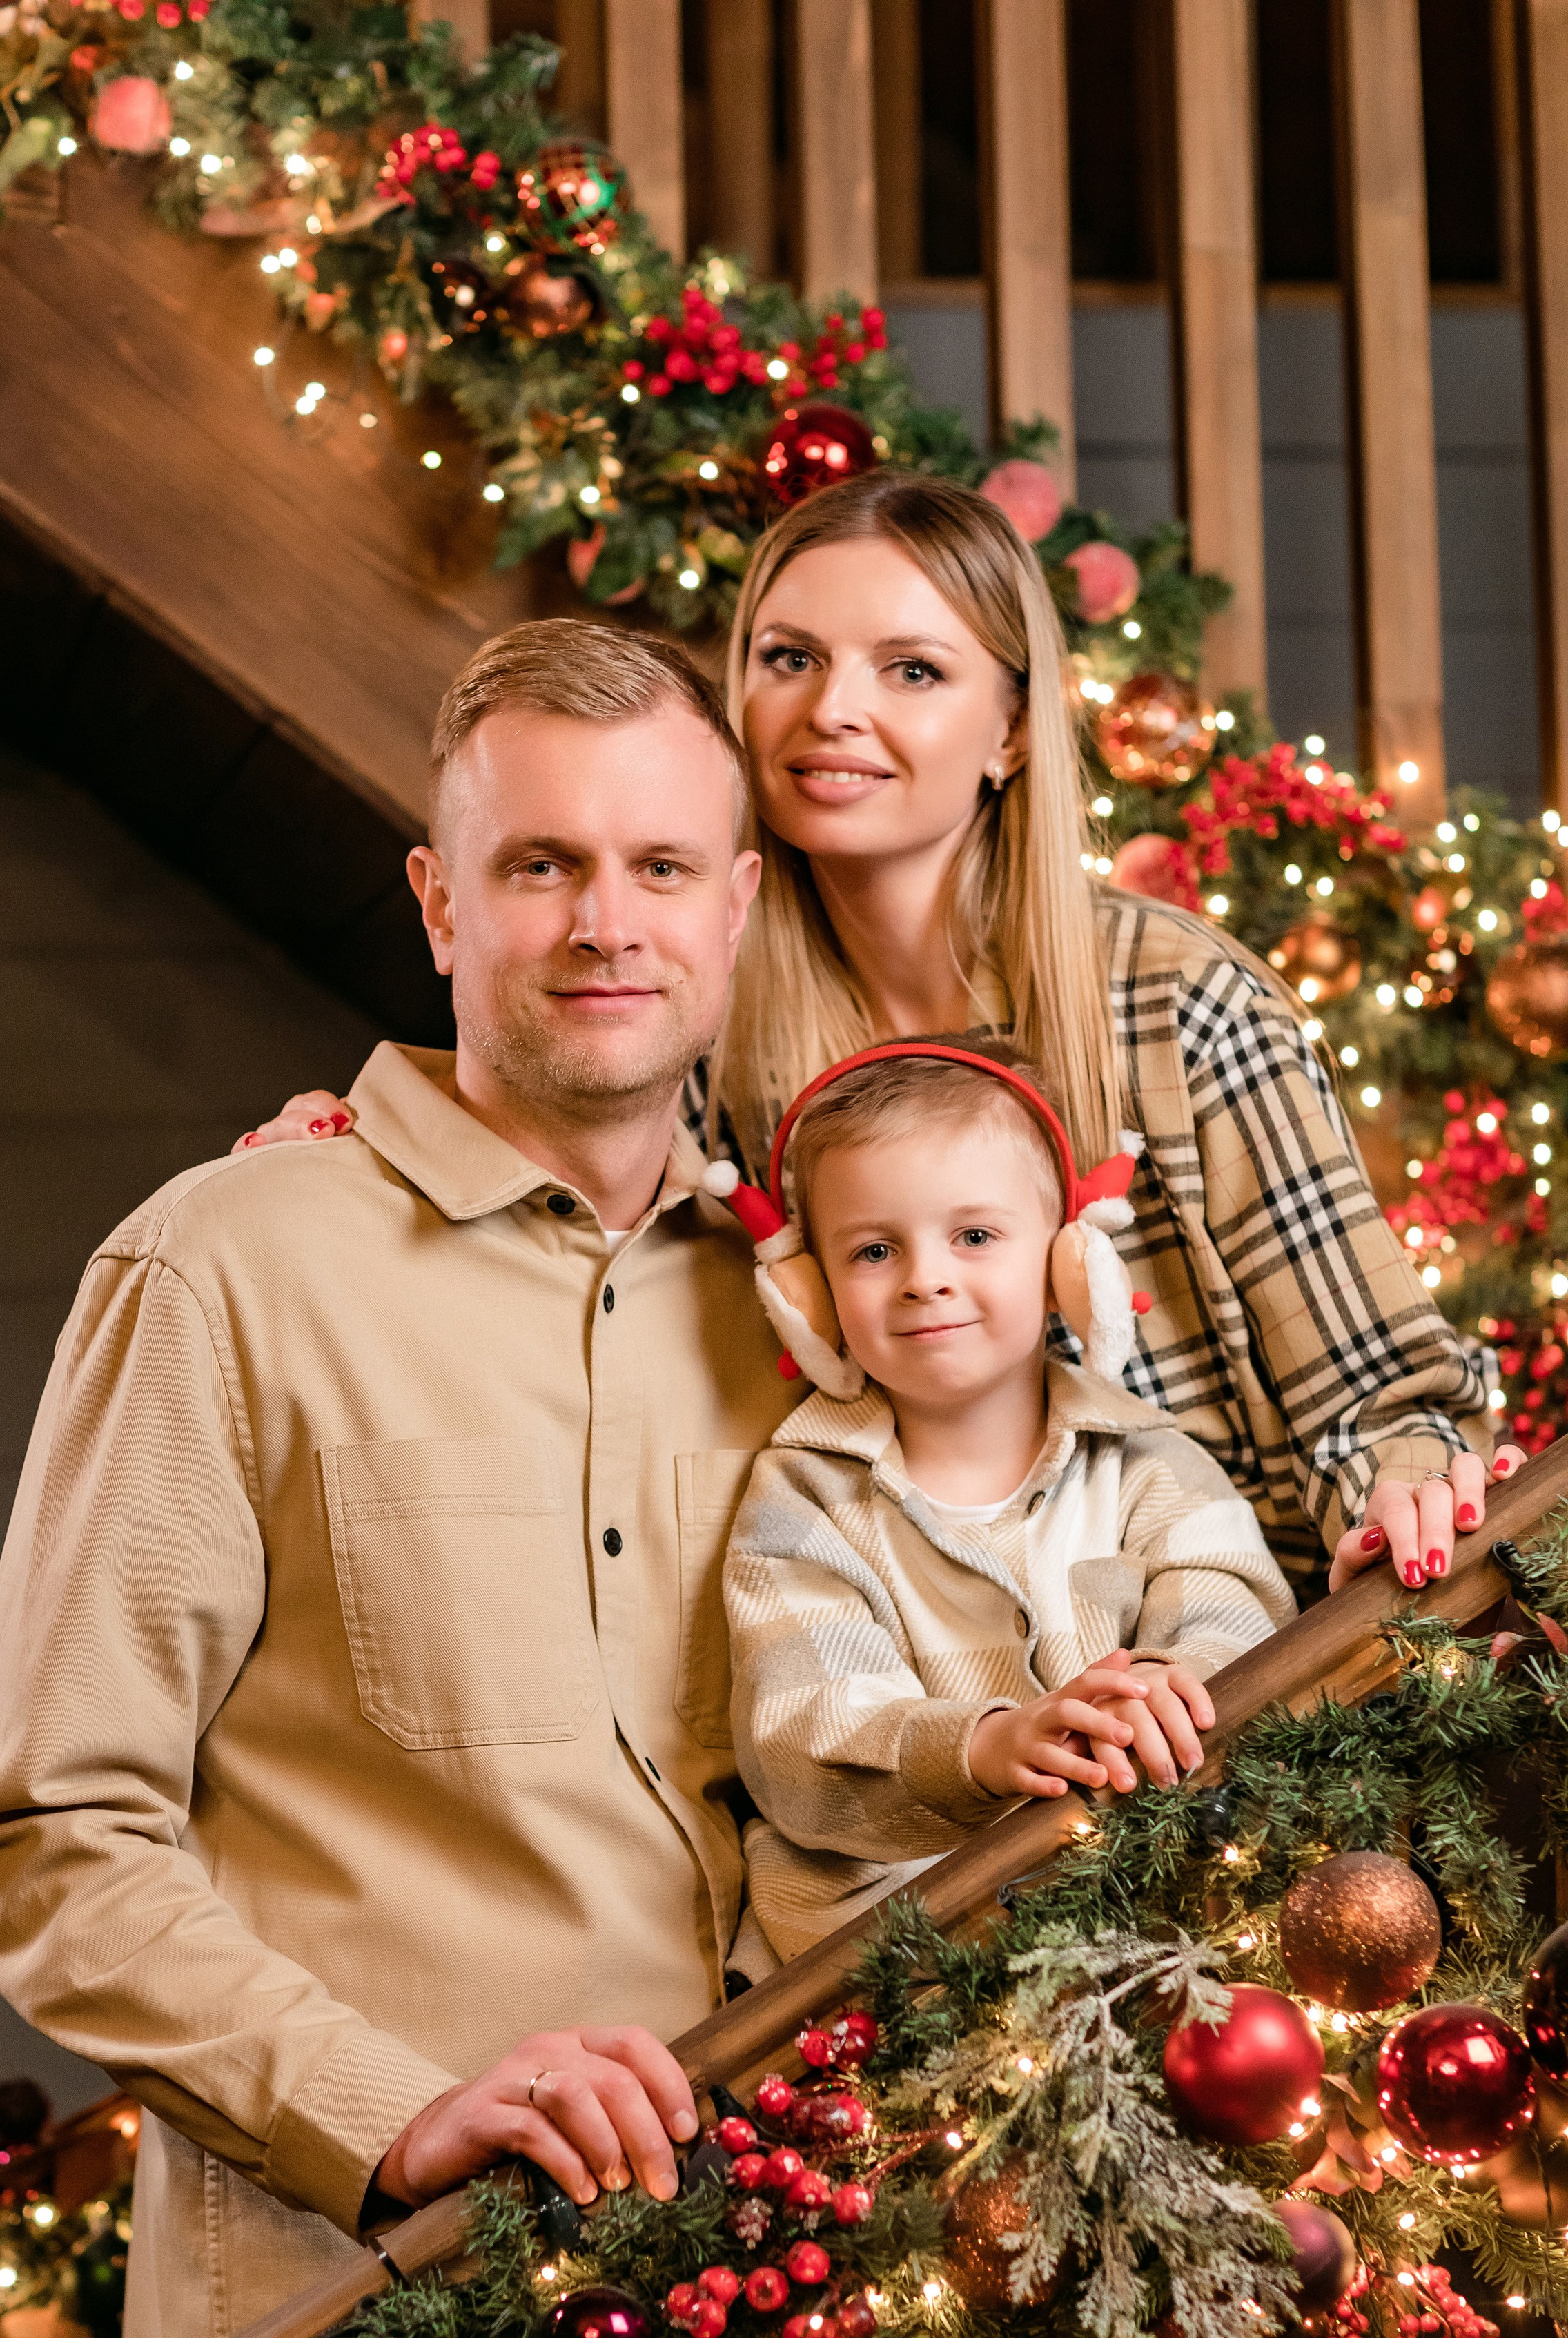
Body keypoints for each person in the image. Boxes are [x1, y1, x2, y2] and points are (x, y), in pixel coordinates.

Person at [0, 622, 796, 2338]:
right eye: (539, 863)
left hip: (774, 2313)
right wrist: (386, 2118)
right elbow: (47, 1840)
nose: (603, 923)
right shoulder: (219, 1269)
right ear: (437, 901)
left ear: (737, 903)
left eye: (657, 867)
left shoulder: (805, 1309)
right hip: (359, 2329)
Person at [252, 472, 1516, 1601]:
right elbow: (551, 1219)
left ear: (1014, 731)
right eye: (791, 658)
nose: (830, 712)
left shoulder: (1174, 1004)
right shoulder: (702, 1026)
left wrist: (1403, 1487)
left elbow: (1378, 1399)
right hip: (903, 1722)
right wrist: (370, 1147)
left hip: (1226, 1709)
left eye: (911, 669)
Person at [715, 1036, 1293, 1968]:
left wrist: (1167, 1684)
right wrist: (982, 1749)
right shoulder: (803, 1498)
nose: (925, 1278)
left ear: (1069, 1263)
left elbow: (1240, 1608)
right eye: (873, 1250)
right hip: (896, 1968)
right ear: (813, 1300)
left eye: (975, 1236)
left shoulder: (1151, 1462)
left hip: (1144, 1929)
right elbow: (802, 1733)